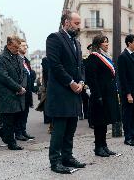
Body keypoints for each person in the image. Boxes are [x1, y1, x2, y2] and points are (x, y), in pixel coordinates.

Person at [45, 11, 86, 174]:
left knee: (71, 128)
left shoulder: (77, 42)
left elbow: (80, 66)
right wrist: (71, 82)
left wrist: (81, 81)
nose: (79, 26)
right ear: (66, 22)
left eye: (79, 23)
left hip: (75, 91)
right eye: (76, 23)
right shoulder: (54, 38)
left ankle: (67, 157)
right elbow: (55, 65)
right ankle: (55, 161)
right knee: (59, 129)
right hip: (61, 92)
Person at [85, 35, 119, 157]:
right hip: (99, 95)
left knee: (104, 122)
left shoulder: (106, 57)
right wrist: (97, 94)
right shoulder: (93, 58)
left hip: (108, 94)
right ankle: (98, 147)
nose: (107, 44)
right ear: (98, 44)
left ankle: (104, 145)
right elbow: (92, 79)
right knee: (99, 122)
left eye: (107, 42)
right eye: (104, 42)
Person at [0, 36, 27, 150]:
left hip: (18, 92)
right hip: (7, 93)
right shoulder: (0, 58)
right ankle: (11, 143)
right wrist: (18, 88)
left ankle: (3, 132)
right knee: (9, 118)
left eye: (18, 48)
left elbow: (23, 73)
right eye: (15, 47)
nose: (17, 50)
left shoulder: (18, 57)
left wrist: (22, 87)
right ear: (8, 45)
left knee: (16, 117)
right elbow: (4, 77)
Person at [14, 39, 35, 141]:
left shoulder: (26, 60)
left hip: (27, 91)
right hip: (19, 91)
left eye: (26, 46)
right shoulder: (15, 59)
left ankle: (23, 131)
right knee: (19, 113)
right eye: (23, 45)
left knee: (25, 112)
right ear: (18, 47)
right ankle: (18, 133)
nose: (25, 47)